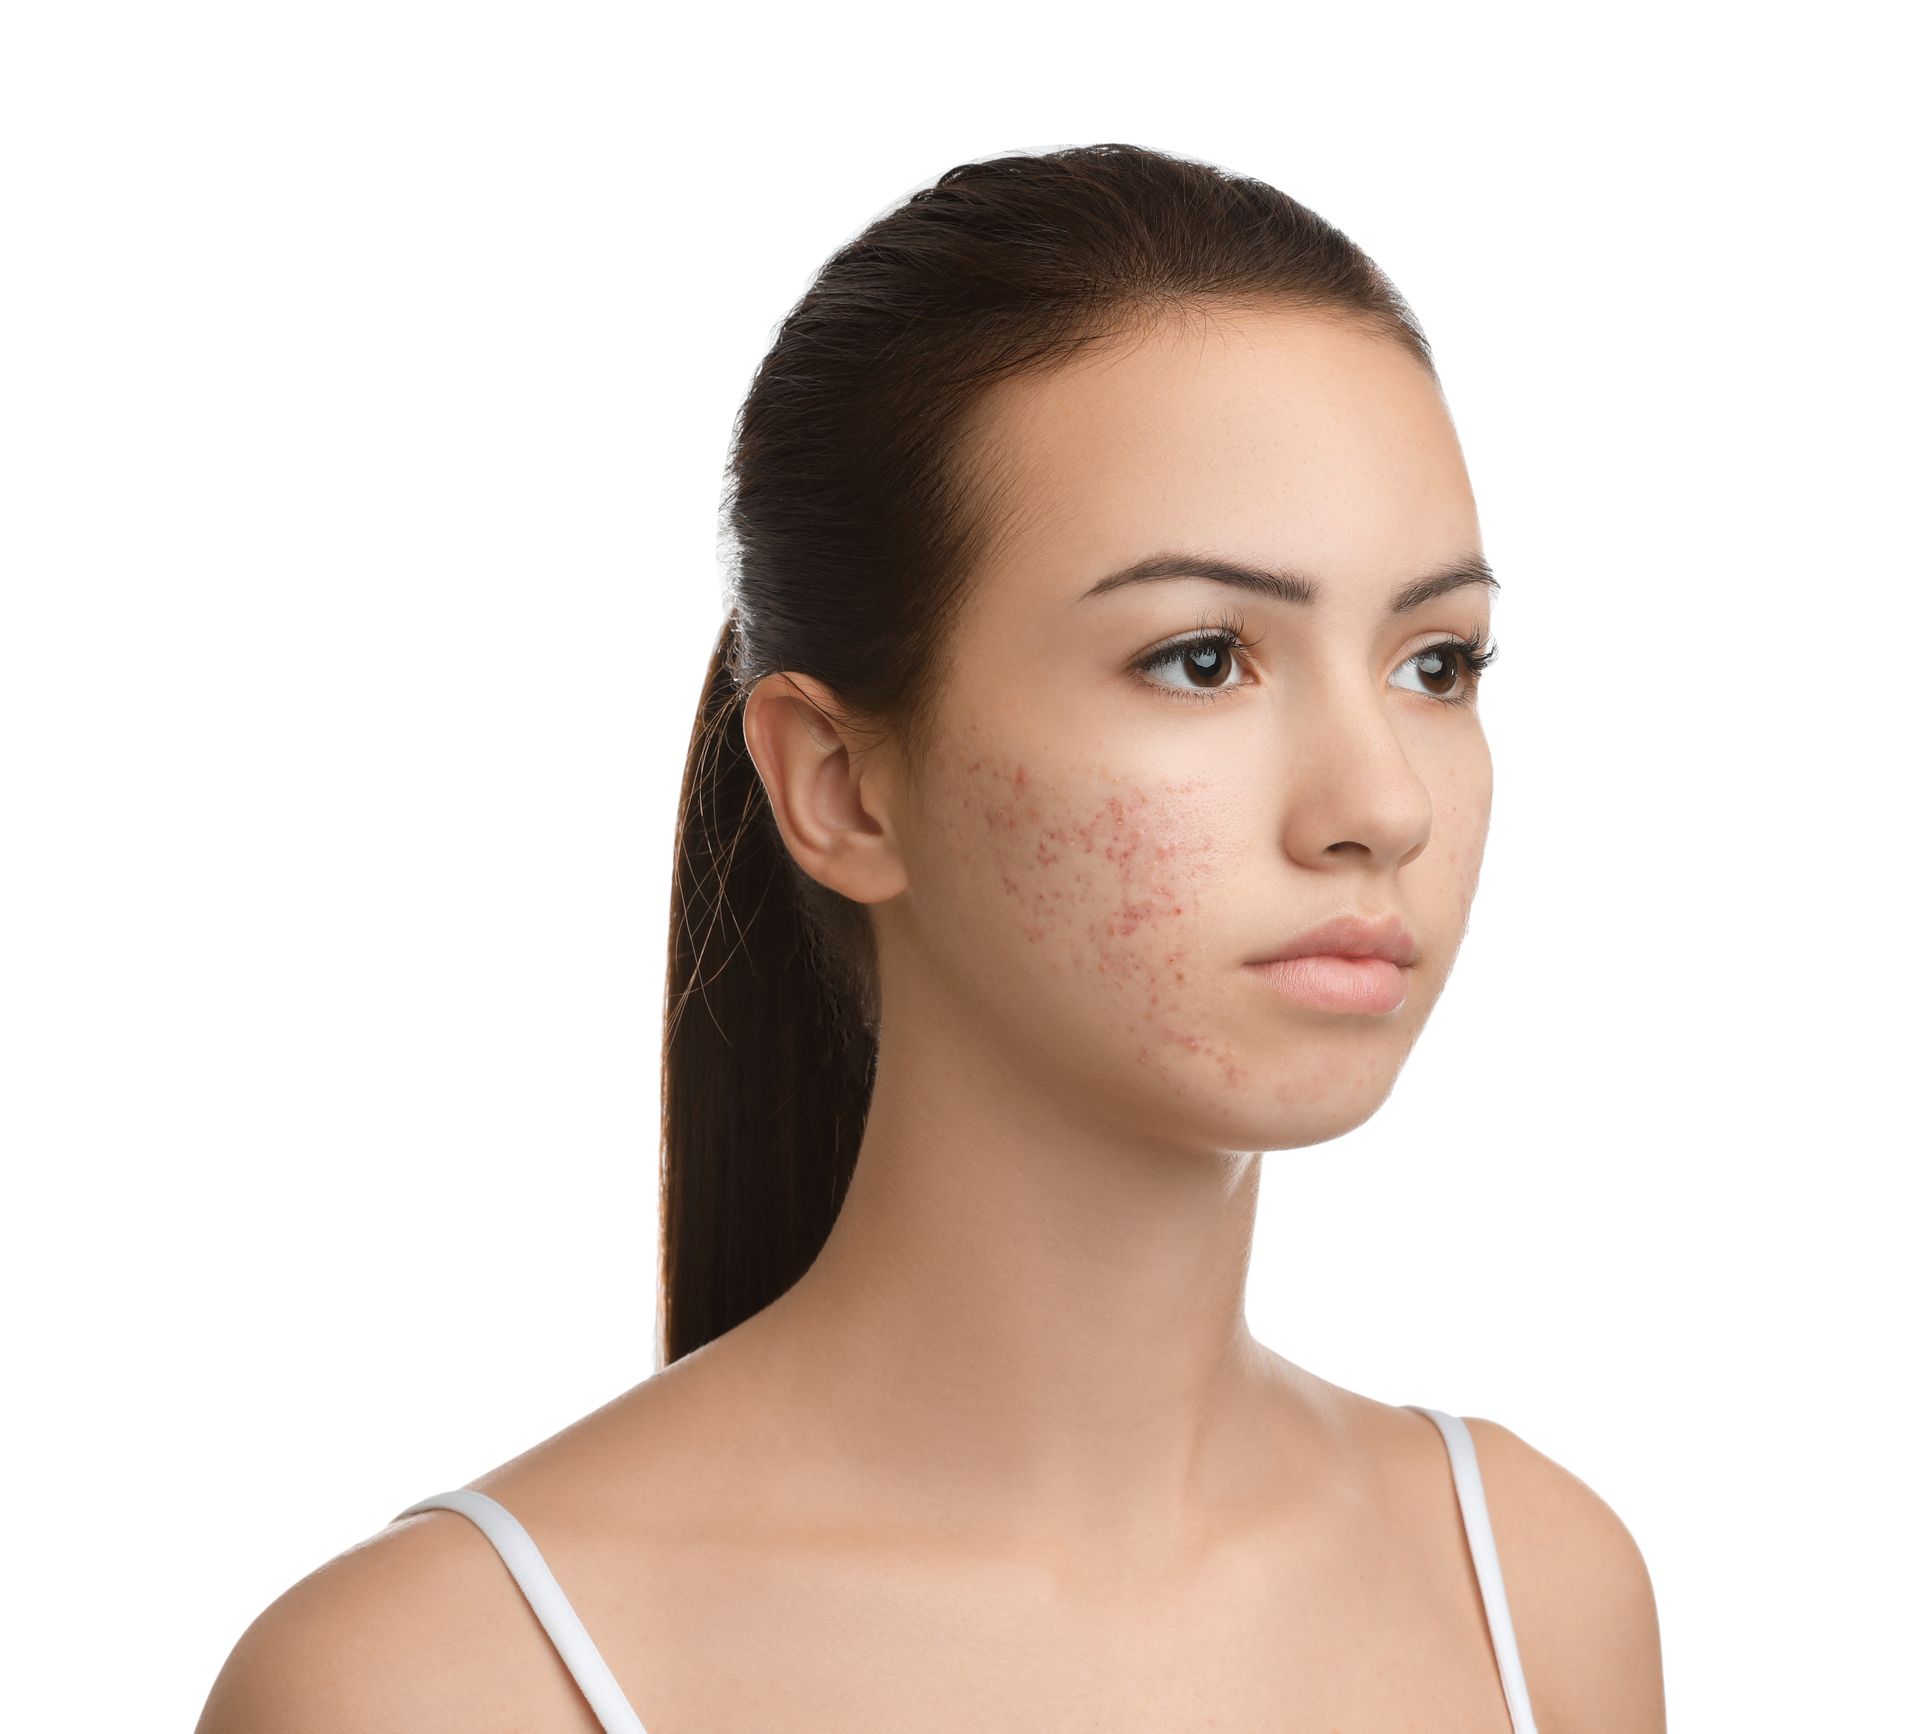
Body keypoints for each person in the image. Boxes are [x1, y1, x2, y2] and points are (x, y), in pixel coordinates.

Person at [197, 142, 1664, 1732]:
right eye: (1198, 657)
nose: (1380, 798)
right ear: (841, 784)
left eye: (1437, 662)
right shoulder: (435, 1686)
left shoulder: (1531, 1588)